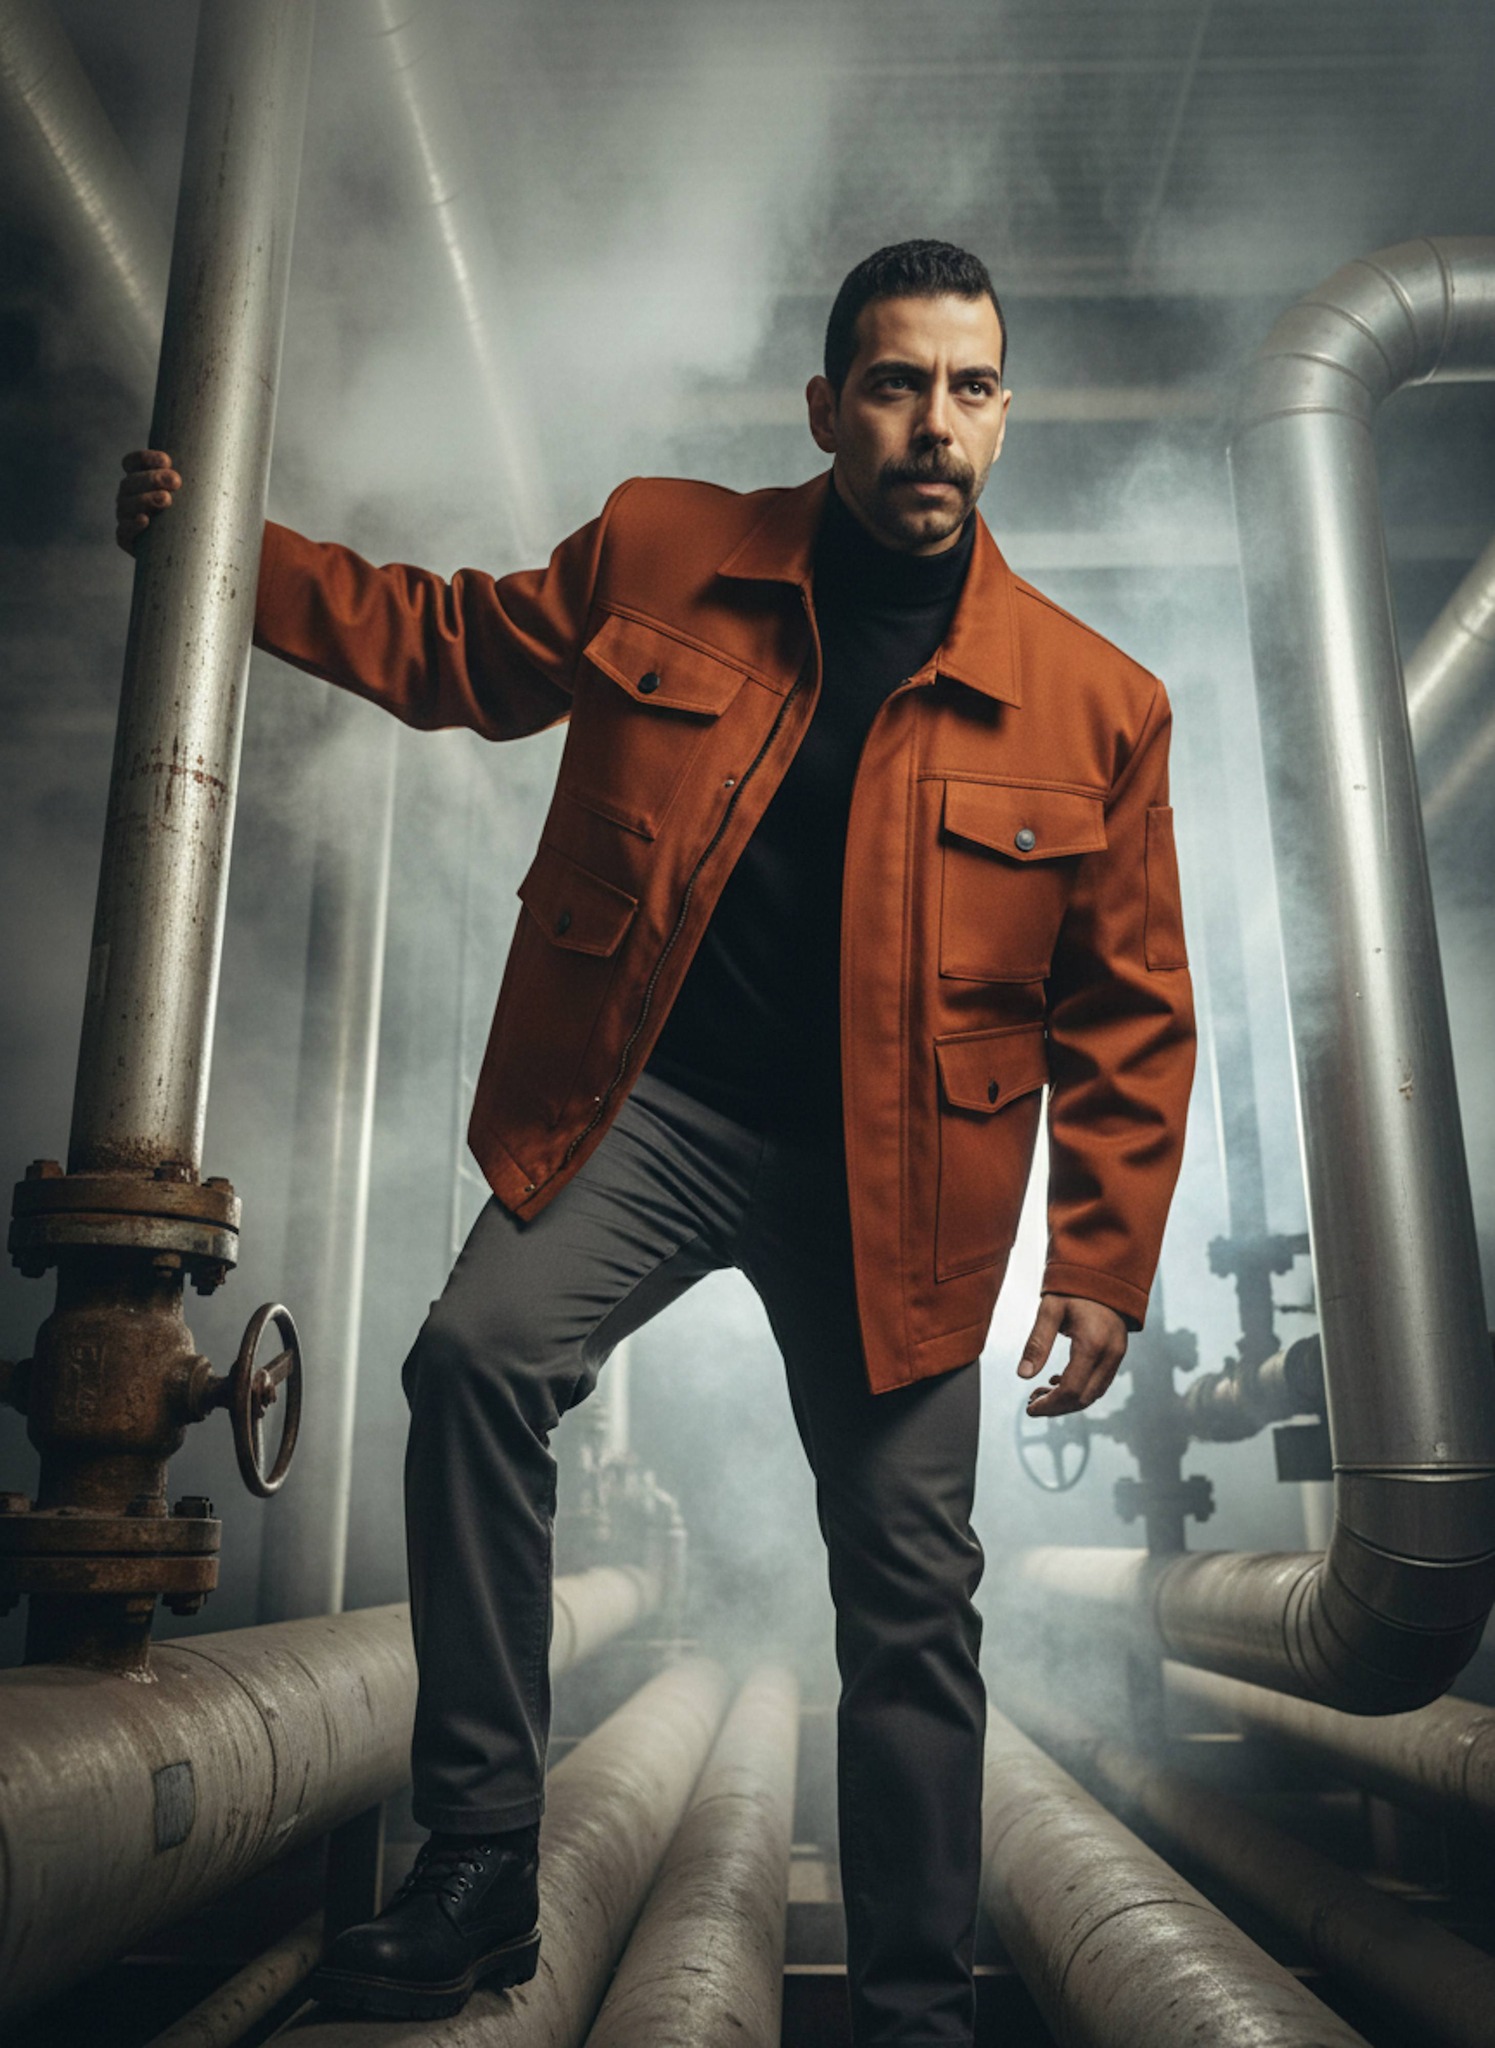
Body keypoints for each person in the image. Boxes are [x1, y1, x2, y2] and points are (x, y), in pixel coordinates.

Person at [117, 239, 1195, 2045]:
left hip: (896, 1184)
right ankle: (480, 1862)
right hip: (655, 1109)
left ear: (1006, 414)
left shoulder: (1099, 704)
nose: (934, 425)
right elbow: (455, 649)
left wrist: (1102, 1257)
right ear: (828, 407)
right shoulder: (664, 547)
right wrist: (228, 549)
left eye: (970, 388)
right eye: (897, 384)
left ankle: (915, 2014)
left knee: (913, 1599)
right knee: (474, 1360)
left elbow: (1132, 1005)